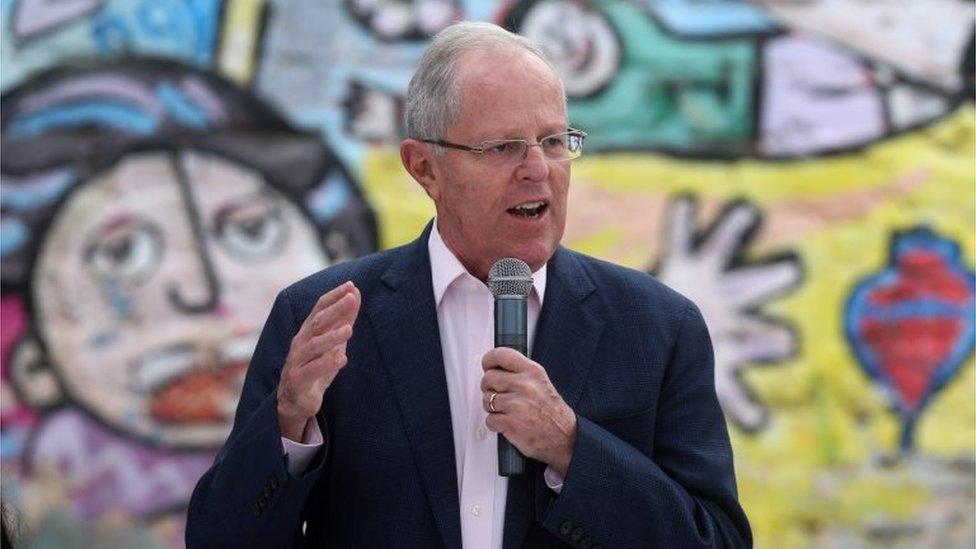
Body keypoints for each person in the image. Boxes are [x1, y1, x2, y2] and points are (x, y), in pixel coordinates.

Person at [187, 21, 752, 548]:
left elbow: (719, 539)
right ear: (424, 168)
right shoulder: (322, 319)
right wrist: (287, 424)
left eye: (555, 142)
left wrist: (572, 449)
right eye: (502, 148)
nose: (538, 169)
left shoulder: (658, 327)